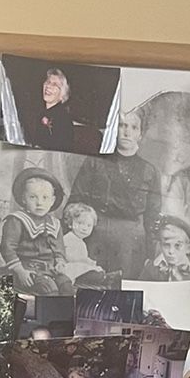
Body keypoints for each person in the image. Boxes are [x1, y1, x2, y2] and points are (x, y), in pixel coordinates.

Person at [71, 108, 161, 280]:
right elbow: (76, 199)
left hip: (131, 243)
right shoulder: (95, 162)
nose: (127, 132)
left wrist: (151, 252)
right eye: (122, 125)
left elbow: (153, 214)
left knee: (125, 286)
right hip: (95, 235)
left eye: (134, 127)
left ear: (140, 134)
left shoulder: (149, 171)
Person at [0, 168, 67, 294]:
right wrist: (20, 271)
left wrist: (60, 262)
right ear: (23, 199)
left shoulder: (55, 223)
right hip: (26, 270)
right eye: (33, 197)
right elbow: (7, 248)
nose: (39, 203)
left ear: (52, 201)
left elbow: (59, 250)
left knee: (67, 286)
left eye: (45, 197)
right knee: (49, 289)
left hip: (50, 270)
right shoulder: (17, 220)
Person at [144, 215, 190, 284]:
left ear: (188, 249)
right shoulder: (151, 269)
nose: (171, 251)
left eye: (177, 245)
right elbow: (140, 287)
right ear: (160, 246)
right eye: (166, 245)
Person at [59, 201, 104, 287]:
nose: (84, 228)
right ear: (70, 224)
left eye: (89, 225)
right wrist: (84, 260)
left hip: (78, 266)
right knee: (83, 269)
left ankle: (103, 277)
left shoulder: (81, 242)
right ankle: (101, 278)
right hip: (68, 267)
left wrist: (88, 261)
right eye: (80, 223)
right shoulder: (69, 238)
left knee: (94, 269)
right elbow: (67, 256)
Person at [32, 68, 76, 150]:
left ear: (62, 94)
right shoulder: (40, 113)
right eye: (48, 82)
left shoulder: (63, 119)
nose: (48, 86)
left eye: (55, 84)